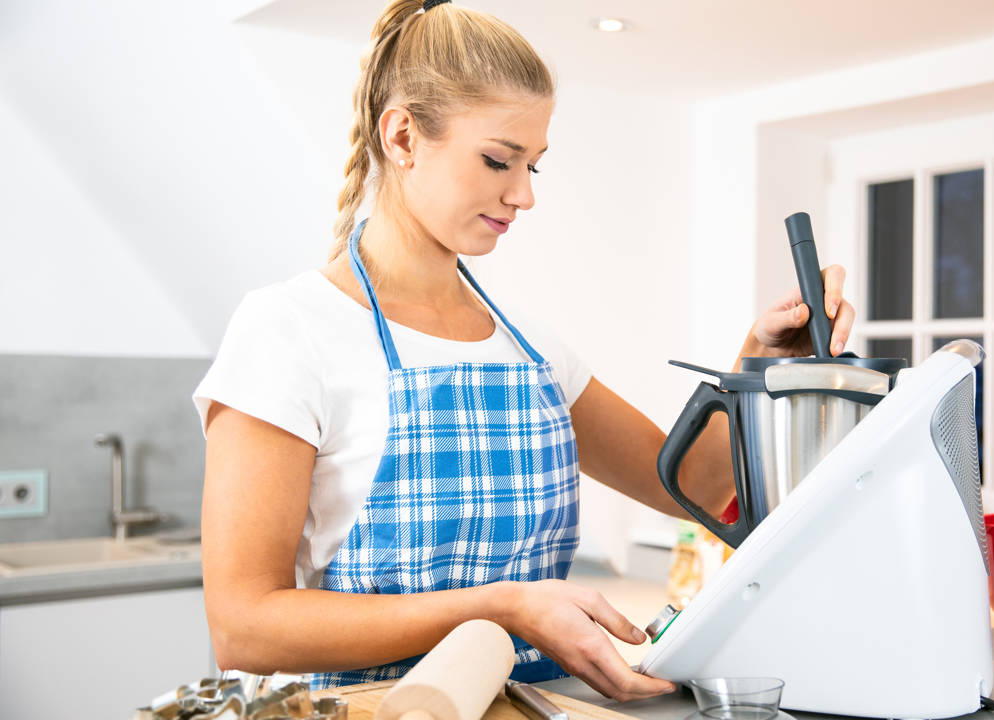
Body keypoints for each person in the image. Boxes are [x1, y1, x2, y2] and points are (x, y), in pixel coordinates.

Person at [193, 0, 854, 702]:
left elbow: (693, 484)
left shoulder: (529, 350)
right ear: (403, 137)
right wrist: (502, 608)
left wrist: (760, 358)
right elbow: (244, 625)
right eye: (499, 161)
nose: (523, 195)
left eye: (533, 166)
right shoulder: (289, 330)